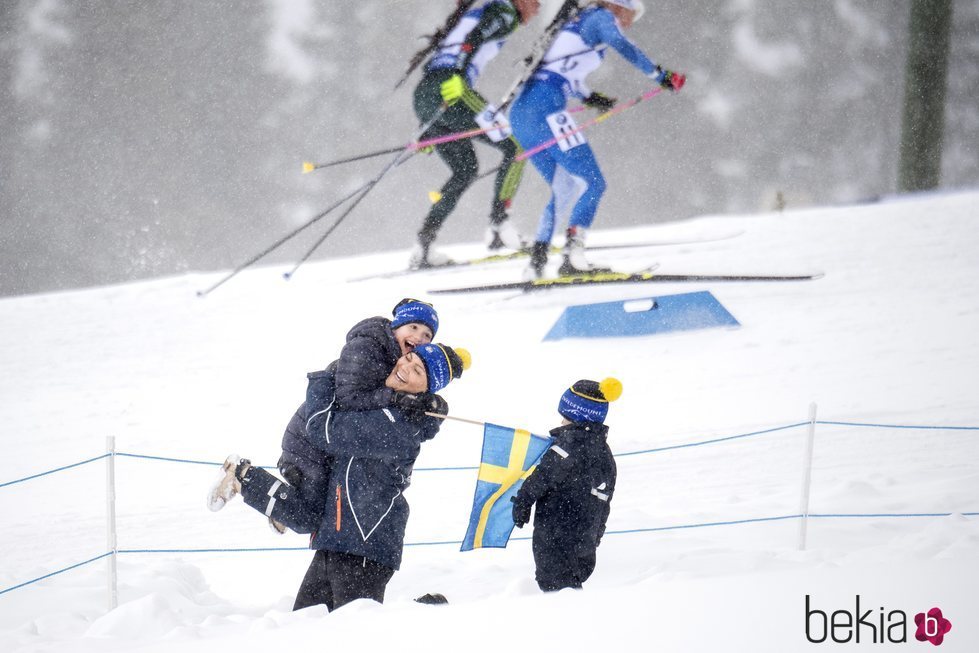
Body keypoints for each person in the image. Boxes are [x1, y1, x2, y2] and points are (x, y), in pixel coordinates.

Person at [209, 343, 471, 612]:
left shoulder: (401, 425)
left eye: (417, 371)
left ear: (426, 389)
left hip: (365, 545)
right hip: (336, 540)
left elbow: (325, 430)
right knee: (303, 629)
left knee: (350, 635)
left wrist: (325, 378)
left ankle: (428, 615)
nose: (405, 367)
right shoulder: (384, 401)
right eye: (408, 358)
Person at [207, 298, 439, 530]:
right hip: (311, 436)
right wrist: (393, 397)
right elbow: (350, 398)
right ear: (396, 326)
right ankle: (241, 476)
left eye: (427, 335)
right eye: (414, 327)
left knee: (322, 512)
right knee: (309, 518)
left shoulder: (397, 361)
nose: (419, 337)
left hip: (331, 440)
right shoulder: (366, 348)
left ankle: (281, 504)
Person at [509, 0, 685, 278]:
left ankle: (537, 262)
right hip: (546, 108)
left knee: (564, 186)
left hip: (522, 114)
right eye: (631, 14)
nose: (629, 22)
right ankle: (572, 257)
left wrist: (590, 96)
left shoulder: (580, 20)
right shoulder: (601, 17)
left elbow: (562, 72)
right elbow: (622, 44)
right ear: (619, 5)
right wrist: (660, 74)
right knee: (593, 182)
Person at [408, 0, 542, 269]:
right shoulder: (504, 12)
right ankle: (499, 227)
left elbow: (437, 59)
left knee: (465, 169)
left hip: (426, 94)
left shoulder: (475, 12)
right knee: (516, 146)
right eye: (536, 1)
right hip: (451, 89)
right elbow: (474, 38)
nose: (538, 7)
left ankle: (424, 244)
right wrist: (457, 76)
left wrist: (425, 126)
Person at [511, 377, 620, 592]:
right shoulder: (606, 456)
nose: (561, 423)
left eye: (565, 418)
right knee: (571, 586)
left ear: (577, 416)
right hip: (584, 542)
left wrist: (523, 501)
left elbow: (542, 477)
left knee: (556, 589)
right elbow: (605, 500)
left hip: (555, 535)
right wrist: (595, 535)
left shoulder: (568, 446)